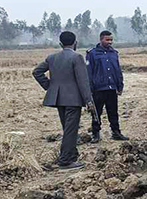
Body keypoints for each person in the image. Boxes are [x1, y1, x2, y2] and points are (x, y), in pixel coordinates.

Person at [32, 31, 93, 170]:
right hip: (73, 100)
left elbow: (36, 72)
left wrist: (50, 86)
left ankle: (71, 155)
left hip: (59, 99)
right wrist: (89, 101)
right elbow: (83, 82)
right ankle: (65, 161)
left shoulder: (52, 57)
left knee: (68, 129)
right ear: (75, 43)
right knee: (71, 130)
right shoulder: (77, 57)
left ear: (60, 44)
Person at [85, 30, 129, 142]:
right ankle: (95, 134)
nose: (110, 42)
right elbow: (89, 72)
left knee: (113, 112)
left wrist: (120, 85)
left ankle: (116, 132)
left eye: (111, 40)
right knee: (96, 113)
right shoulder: (92, 54)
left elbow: (118, 70)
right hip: (98, 88)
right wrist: (90, 88)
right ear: (101, 39)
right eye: (107, 39)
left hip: (111, 88)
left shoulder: (114, 53)